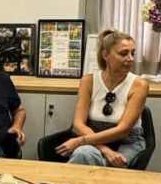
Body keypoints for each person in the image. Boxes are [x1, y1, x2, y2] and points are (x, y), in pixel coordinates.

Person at [53, 29, 149, 168]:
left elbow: (123, 130)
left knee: (110, 165)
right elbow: (78, 124)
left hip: (127, 142)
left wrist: (80, 141)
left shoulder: (140, 85)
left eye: (132, 53)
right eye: (124, 53)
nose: (130, 58)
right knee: (84, 154)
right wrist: (104, 149)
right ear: (106, 55)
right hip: (93, 139)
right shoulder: (88, 81)